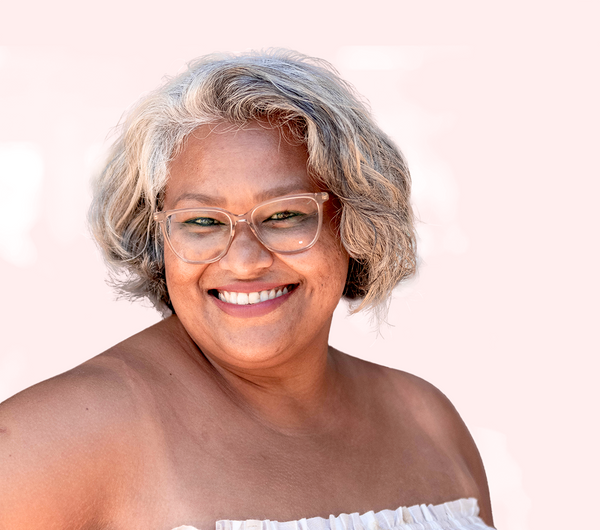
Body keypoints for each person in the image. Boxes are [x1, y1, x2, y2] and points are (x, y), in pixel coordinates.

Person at [0, 50, 494, 530]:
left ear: (356, 223)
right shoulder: (49, 441)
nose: (243, 261)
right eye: (202, 221)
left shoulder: (428, 419)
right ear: (158, 237)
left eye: (284, 215)